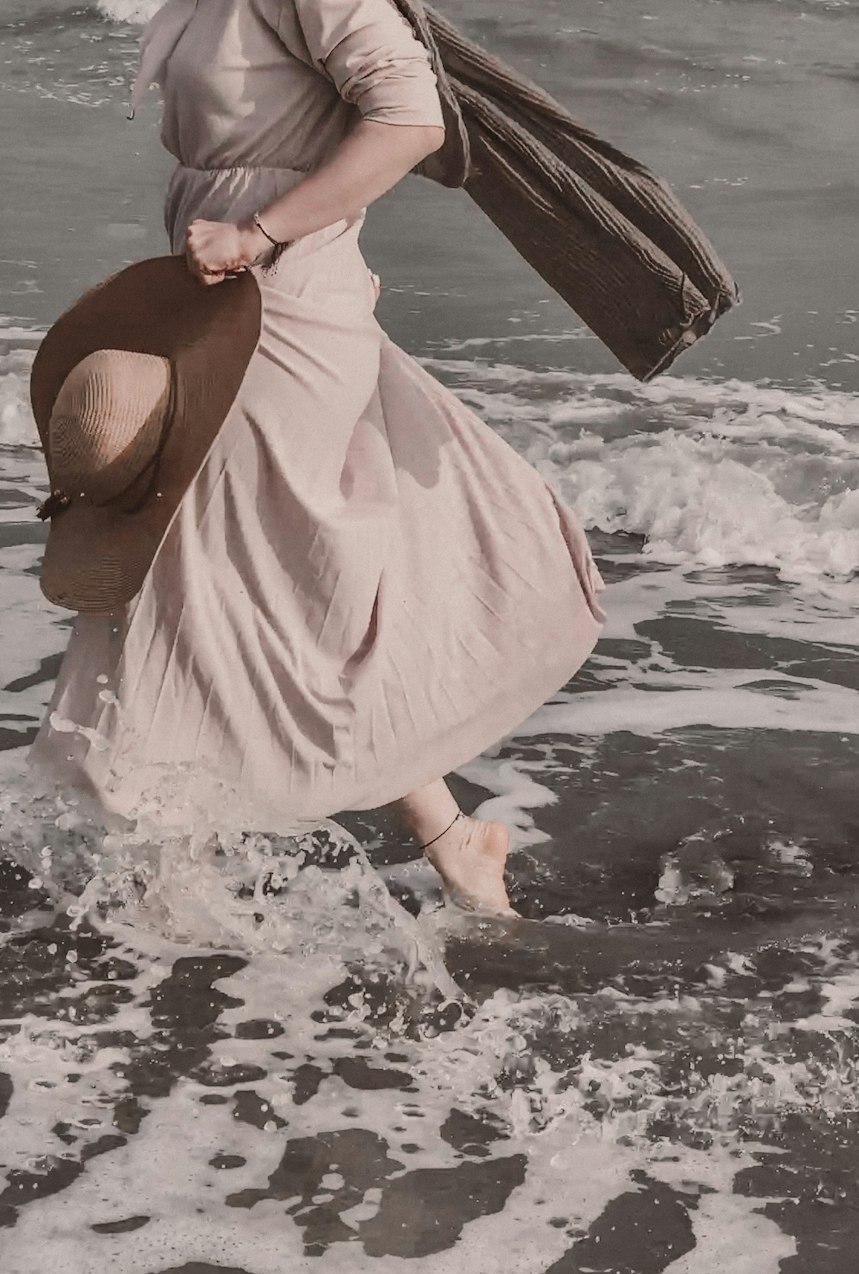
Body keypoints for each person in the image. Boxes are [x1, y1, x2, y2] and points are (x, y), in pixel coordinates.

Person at [27, 0, 605, 917]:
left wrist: (260, 233)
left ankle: (173, 870)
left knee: (198, 569)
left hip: (276, 298)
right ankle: (452, 843)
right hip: (216, 294)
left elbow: (413, 118)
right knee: (235, 578)